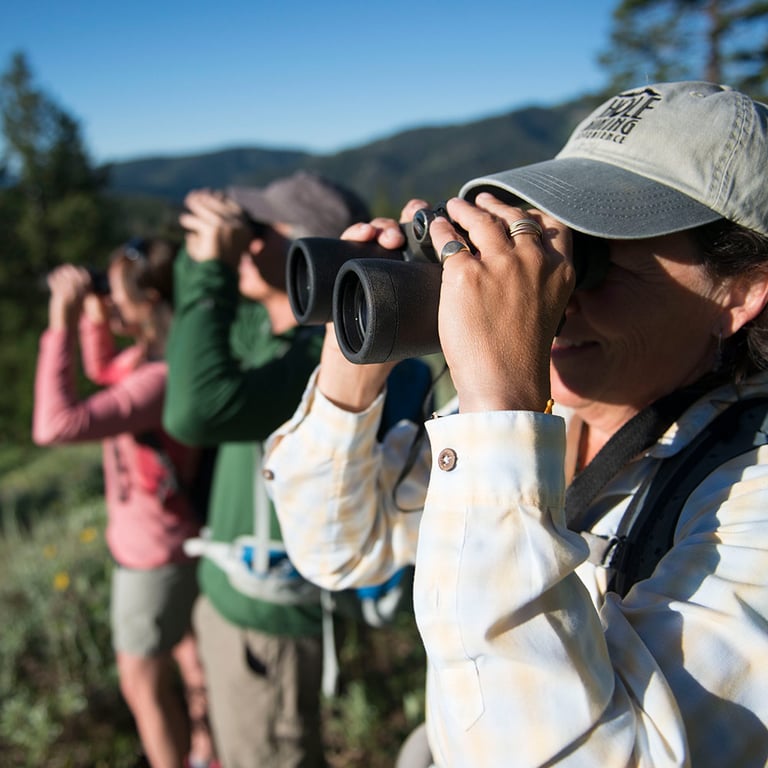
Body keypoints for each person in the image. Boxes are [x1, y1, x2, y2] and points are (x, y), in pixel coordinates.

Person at [264, 81, 768, 767]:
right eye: (543, 241)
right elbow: (338, 547)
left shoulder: (747, 493)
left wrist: (501, 408)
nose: (551, 289)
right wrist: (358, 350)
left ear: (738, 291)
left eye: (593, 258)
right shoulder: (531, 421)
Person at [163, 171, 430, 767]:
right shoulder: (262, 327)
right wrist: (200, 263)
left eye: (256, 230)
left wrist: (210, 270)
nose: (241, 243)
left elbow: (193, 409)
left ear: (309, 247)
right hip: (230, 598)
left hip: (269, 622)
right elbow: (192, 339)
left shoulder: (321, 357)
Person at [32, 238, 217, 768]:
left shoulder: (160, 379)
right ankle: (207, 752)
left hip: (154, 556)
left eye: (114, 295)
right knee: (189, 661)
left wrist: (59, 323)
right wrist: (93, 316)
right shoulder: (159, 359)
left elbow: (56, 425)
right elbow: (107, 374)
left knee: (142, 685)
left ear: (150, 302)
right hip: (163, 541)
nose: (109, 303)